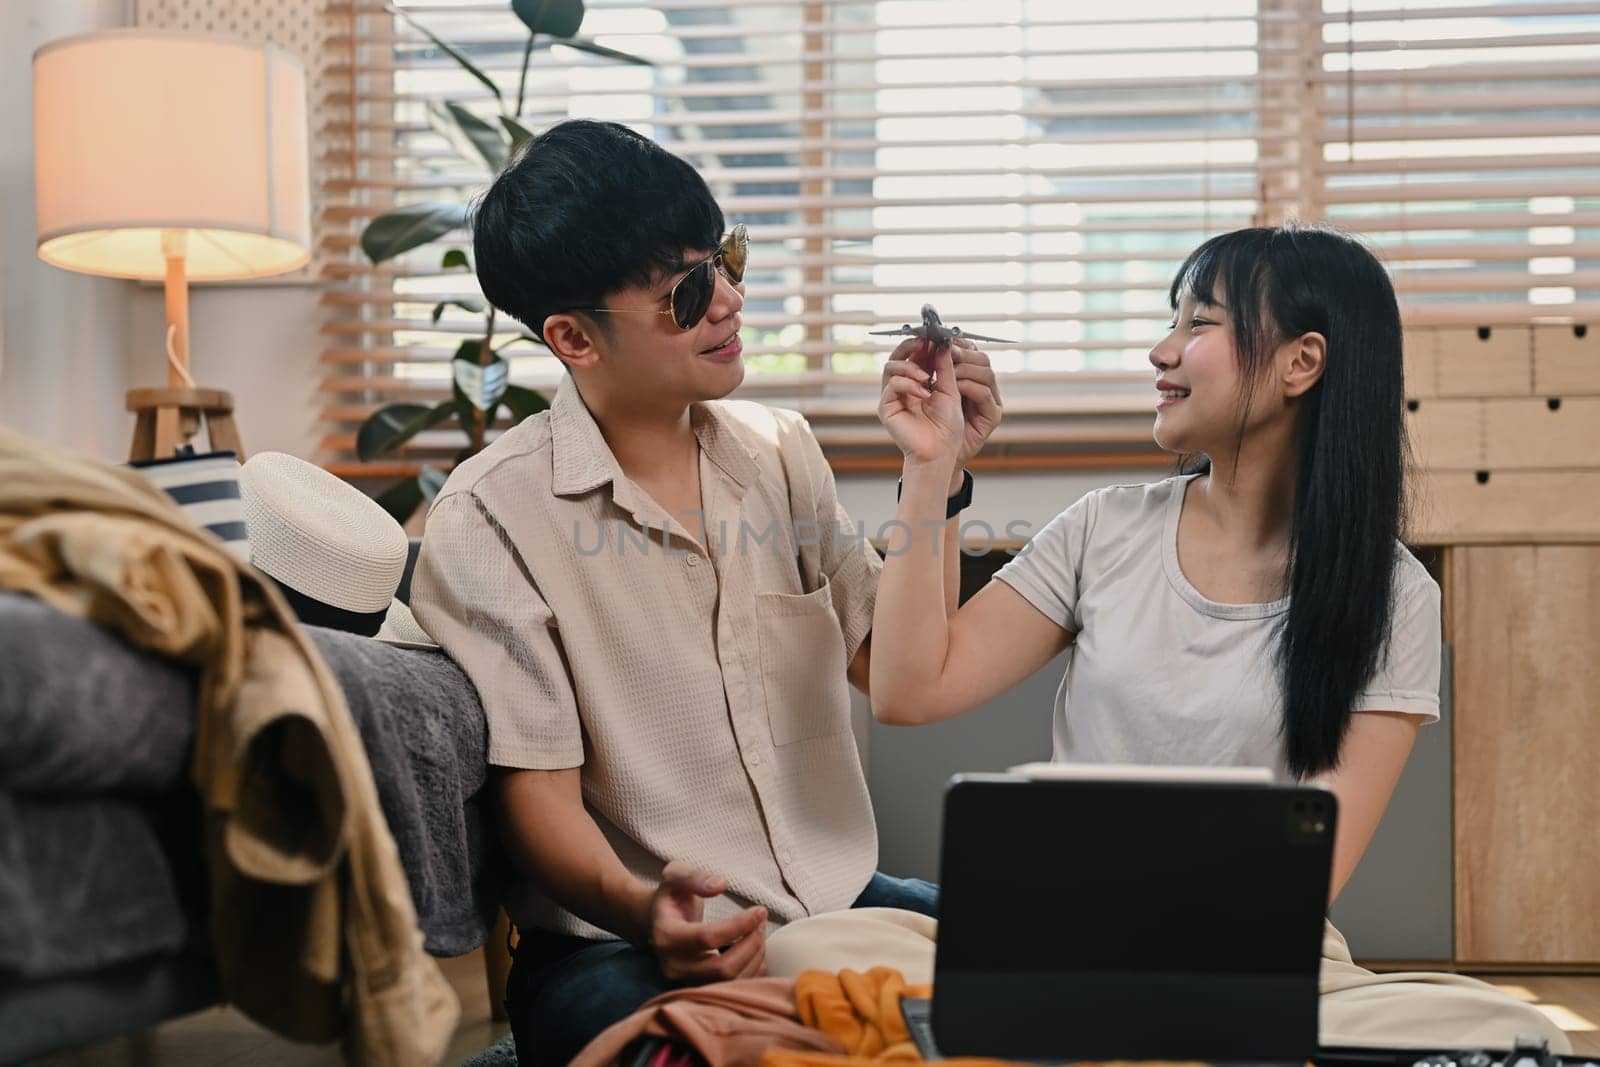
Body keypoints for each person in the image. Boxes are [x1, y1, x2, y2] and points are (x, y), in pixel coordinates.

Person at [867, 224, 1571, 1051]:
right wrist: (932, 467)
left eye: (1199, 323)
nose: (1162, 352)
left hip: (1256, 957)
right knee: (819, 943)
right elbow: (909, 690)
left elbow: (1306, 880)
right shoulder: (1104, 529)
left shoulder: (1392, 594)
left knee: (1514, 1025)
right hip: (1051, 940)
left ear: (1300, 362)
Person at [407, 119, 1002, 1066]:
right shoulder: (490, 518)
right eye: (686, 289)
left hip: (833, 893)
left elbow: (888, 670)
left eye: (724, 257)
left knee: (1078, 977)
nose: (730, 298)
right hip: (614, 940)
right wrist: (645, 909)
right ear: (572, 337)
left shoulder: (779, 450)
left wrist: (932, 475)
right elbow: (542, 803)